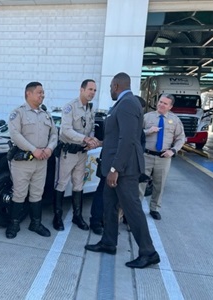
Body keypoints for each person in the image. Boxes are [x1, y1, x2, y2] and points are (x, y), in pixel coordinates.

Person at [85, 72, 160, 269]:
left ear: (117, 85)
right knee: (109, 206)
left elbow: (127, 139)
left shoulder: (127, 103)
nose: (110, 90)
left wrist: (115, 168)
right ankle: (109, 242)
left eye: (110, 86)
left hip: (124, 169)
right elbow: (117, 136)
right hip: (116, 166)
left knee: (132, 209)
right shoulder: (124, 103)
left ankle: (148, 252)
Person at [6, 82, 58, 239]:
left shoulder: (46, 114)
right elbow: (15, 135)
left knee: (37, 193)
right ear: (28, 94)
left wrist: (49, 148)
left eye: (43, 92)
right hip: (23, 161)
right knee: (19, 193)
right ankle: (13, 224)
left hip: (41, 161)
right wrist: (33, 149)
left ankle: (35, 223)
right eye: (39, 92)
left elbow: (54, 134)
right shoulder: (18, 113)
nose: (42, 95)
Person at [89, 95, 147, 235]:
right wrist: (114, 167)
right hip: (113, 167)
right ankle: (98, 224)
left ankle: (111, 229)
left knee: (122, 201)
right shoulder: (121, 120)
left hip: (124, 169)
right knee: (104, 195)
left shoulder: (135, 128)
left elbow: (135, 149)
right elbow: (114, 142)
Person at [52, 79, 100, 231]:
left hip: (82, 153)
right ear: (81, 90)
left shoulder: (90, 109)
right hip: (68, 152)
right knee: (61, 183)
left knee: (79, 184)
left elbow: (90, 128)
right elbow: (65, 129)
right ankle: (57, 217)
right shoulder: (70, 107)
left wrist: (91, 139)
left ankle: (77, 216)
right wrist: (84, 138)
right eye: (90, 89)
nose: (92, 92)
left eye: (94, 90)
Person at [139, 94, 185, 220]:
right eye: (160, 102)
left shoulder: (175, 120)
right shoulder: (147, 117)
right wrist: (148, 131)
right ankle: (136, 210)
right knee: (140, 184)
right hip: (146, 155)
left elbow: (181, 138)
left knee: (159, 185)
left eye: (165, 103)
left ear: (170, 106)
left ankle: (154, 208)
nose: (161, 105)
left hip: (163, 158)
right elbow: (137, 133)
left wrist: (173, 150)